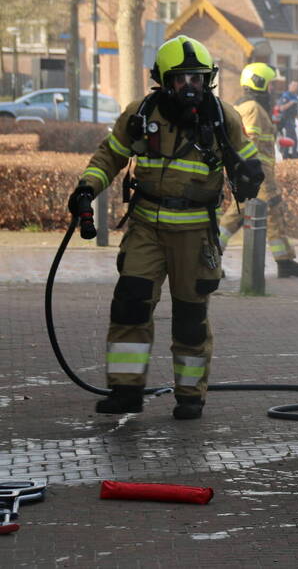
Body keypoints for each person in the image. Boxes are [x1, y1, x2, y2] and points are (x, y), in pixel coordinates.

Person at [67, 35, 264, 420]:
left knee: (190, 318)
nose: (190, 88)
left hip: (195, 233)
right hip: (146, 229)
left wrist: (249, 174)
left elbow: (250, 162)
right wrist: (86, 188)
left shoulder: (223, 117)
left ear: (207, 79)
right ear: (162, 80)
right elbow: (110, 156)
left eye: (197, 79)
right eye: (181, 79)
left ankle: (191, 395)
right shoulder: (141, 115)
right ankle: (126, 391)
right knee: (130, 305)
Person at [218, 63, 298, 278]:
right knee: (273, 212)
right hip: (258, 174)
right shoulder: (253, 108)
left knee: (235, 216)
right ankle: (285, 262)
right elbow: (248, 143)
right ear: (259, 84)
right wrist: (257, 174)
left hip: (252, 173)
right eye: (270, 85)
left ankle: (210, 260)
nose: (272, 90)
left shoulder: (247, 106)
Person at [277, 80, 298, 158]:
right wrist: (291, 103)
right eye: (293, 85)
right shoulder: (286, 96)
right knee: (293, 139)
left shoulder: (295, 96)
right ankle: (291, 157)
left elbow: (296, 111)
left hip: (292, 120)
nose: (295, 87)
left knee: (290, 139)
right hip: (286, 120)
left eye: (297, 86)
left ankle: (287, 156)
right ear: (289, 86)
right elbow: (281, 108)